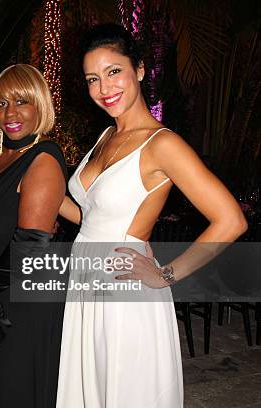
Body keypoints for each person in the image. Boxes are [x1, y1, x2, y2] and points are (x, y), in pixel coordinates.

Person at [56, 23, 247, 407]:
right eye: (93, 79)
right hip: (87, 281)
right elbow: (91, 219)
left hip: (125, 289)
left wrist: (166, 275)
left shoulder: (162, 144)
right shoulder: (105, 136)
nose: (104, 88)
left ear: (139, 69)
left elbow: (231, 220)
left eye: (114, 72)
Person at [0, 64, 67, 407]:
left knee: (17, 390)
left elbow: (30, 246)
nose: (10, 113)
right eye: (1, 103)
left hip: (22, 301)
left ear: (40, 105)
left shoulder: (43, 158)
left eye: (22, 101)